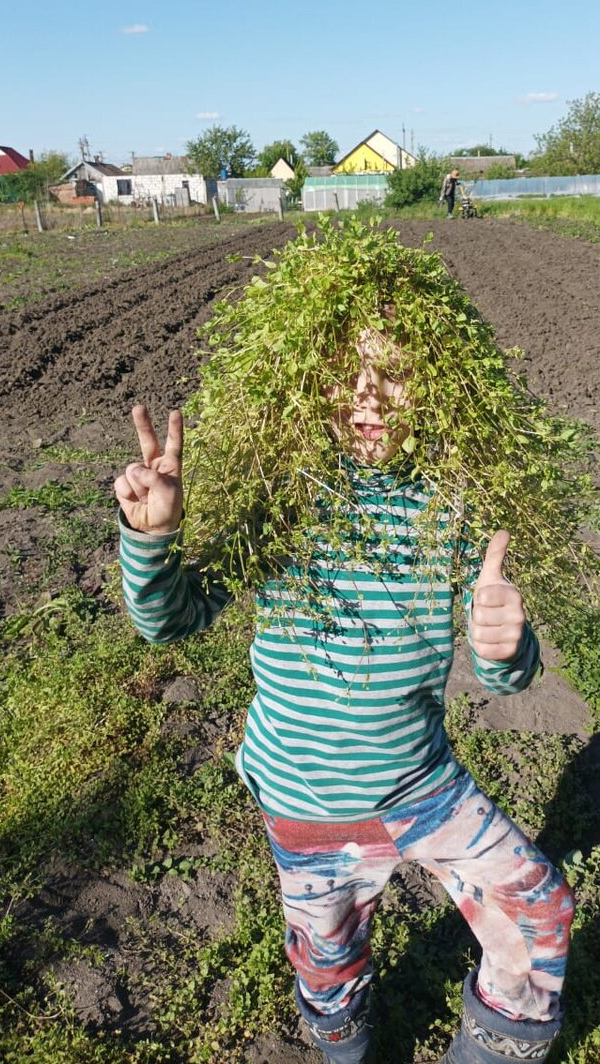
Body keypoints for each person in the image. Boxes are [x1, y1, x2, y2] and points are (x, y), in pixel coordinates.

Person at [114, 224, 574, 1064]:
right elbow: (168, 621)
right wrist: (154, 538)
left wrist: (508, 648)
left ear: (440, 381)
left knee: (539, 912)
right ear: (297, 379)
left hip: (422, 784)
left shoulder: (455, 507)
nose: (365, 396)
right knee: (330, 962)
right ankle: (344, 1048)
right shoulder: (282, 501)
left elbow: (505, 677)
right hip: (308, 800)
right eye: (341, 372)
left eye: (393, 372)